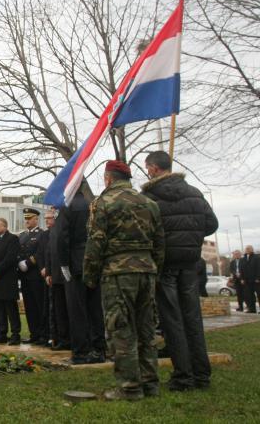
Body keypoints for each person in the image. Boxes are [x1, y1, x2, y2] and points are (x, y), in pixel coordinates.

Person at [84, 160, 165, 401]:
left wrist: (89, 275)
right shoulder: (150, 203)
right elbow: (160, 243)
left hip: (118, 273)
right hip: (146, 271)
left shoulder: (103, 202)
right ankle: (150, 383)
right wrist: (154, 271)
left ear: (108, 178)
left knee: (121, 328)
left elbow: (96, 242)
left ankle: (129, 387)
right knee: (146, 328)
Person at [142, 150, 218, 391]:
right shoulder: (195, 194)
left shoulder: (151, 196)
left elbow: (147, 229)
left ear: (154, 168)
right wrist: (191, 237)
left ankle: (183, 376)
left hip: (166, 265)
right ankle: (201, 375)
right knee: (192, 318)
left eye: (147, 167)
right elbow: (211, 224)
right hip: (190, 263)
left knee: (172, 319)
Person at [57, 188, 106, 364]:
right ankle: (99, 349)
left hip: (76, 262)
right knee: (95, 308)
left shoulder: (68, 206)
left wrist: (63, 263)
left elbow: (62, 237)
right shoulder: (93, 204)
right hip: (94, 260)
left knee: (77, 309)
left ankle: (81, 352)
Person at [39, 208, 70, 350]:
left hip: (67, 276)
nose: (47, 220)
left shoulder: (63, 229)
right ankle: (60, 338)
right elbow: (49, 254)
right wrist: (49, 273)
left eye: (50, 217)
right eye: (46, 218)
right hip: (55, 277)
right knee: (58, 310)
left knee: (68, 309)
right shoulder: (51, 233)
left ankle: (69, 338)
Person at [18, 208, 46, 344]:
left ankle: (43, 334)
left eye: (30, 218)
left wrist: (28, 262)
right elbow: (18, 252)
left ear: (36, 219)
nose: (27, 221)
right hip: (24, 276)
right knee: (29, 306)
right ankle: (33, 333)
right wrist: (19, 262)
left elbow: (41, 252)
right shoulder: (22, 236)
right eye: (26, 219)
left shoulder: (42, 234)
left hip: (36, 275)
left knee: (39, 304)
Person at [239, 245, 258, 313]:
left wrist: (258, 278)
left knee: (259, 294)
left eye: (248, 248)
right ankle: (252, 309)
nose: (247, 250)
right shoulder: (243, 259)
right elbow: (241, 269)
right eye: (246, 249)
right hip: (247, 281)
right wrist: (242, 279)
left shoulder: (257, 257)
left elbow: (259, 268)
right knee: (249, 296)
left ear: (252, 249)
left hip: (256, 280)